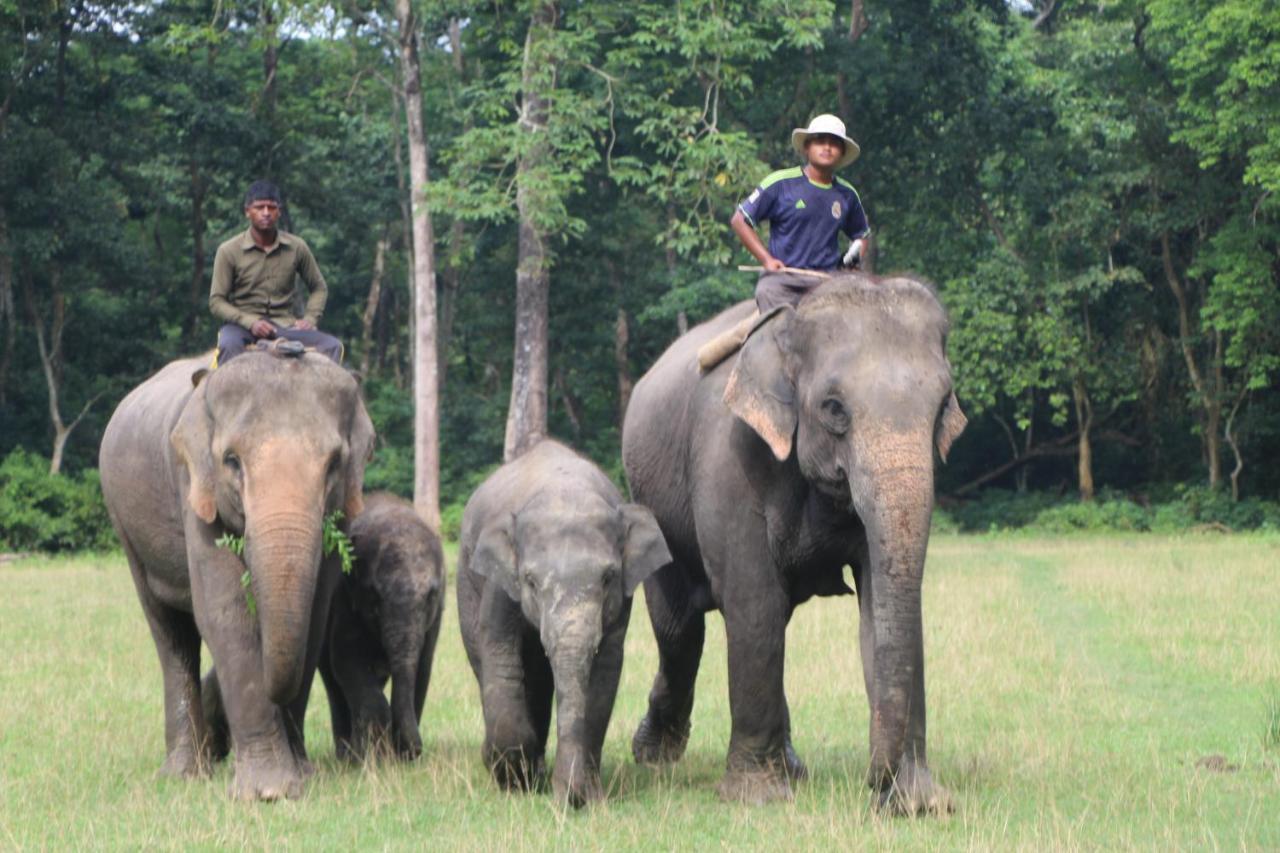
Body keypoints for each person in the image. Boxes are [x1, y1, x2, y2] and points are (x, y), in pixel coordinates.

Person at [730, 113, 870, 312]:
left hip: (827, 283)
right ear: (807, 147)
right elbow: (740, 220)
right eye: (820, 141)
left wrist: (852, 261)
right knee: (767, 293)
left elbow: (862, 235)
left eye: (834, 143)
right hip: (783, 281)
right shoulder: (780, 183)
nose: (827, 147)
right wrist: (767, 260)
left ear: (841, 152)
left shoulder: (847, 194)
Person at [209, 180, 343, 365]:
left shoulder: (297, 247)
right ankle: (219, 394)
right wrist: (250, 322)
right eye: (259, 207)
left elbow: (319, 287)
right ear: (247, 211)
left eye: (271, 207)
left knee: (333, 346)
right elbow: (216, 301)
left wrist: (310, 318)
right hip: (241, 326)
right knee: (227, 347)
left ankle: (327, 394)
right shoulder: (228, 250)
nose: (266, 213)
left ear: (279, 211)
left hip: (285, 325)